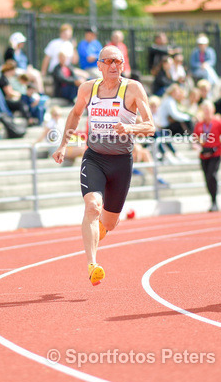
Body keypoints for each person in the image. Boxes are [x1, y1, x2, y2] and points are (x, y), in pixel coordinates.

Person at [52, 46, 155, 285]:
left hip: (121, 162)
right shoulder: (88, 89)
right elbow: (75, 114)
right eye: (108, 61)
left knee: (109, 222)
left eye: (118, 61)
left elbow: (150, 126)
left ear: (123, 65)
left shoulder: (133, 88)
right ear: (99, 65)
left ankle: (97, 232)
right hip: (95, 158)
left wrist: (130, 128)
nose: (113, 66)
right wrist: (63, 145)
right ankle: (92, 265)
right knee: (92, 206)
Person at [194, 101, 221, 212]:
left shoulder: (218, 122)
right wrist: (197, 146)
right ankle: (212, 200)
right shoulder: (199, 125)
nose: (206, 112)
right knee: (207, 178)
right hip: (204, 154)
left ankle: (214, 201)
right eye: (204, 110)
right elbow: (195, 139)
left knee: (211, 175)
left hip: (216, 153)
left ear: (213, 110)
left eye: (208, 110)